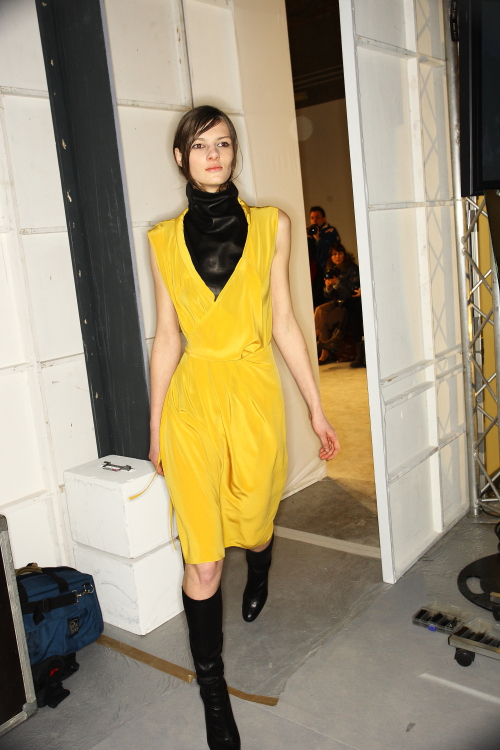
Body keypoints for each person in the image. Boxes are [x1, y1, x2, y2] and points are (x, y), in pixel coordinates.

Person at [147, 105, 340, 750]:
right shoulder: (161, 241)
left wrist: (315, 407)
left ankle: (260, 561)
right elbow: (167, 337)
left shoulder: (272, 226)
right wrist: (155, 425)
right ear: (182, 158)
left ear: (234, 153)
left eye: (224, 143)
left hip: (253, 396)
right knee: (202, 559)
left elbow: (284, 321)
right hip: (192, 405)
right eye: (200, 145)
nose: (214, 154)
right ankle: (214, 693)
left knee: (254, 521)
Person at [315, 244, 365, 368]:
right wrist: (328, 287)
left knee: (323, 317)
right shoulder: (332, 269)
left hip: (348, 305)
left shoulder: (352, 269)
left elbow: (351, 293)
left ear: (344, 254)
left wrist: (337, 283)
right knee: (320, 310)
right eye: (334, 254)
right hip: (336, 304)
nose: (337, 257)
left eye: (339, 253)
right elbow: (328, 296)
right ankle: (324, 351)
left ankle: (315, 342)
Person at [307, 207, 340, 309]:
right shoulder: (310, 234)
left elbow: (330, 249)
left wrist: (318, 238)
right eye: (312, 218)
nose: (315, 220)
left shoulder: (330, 231)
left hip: (327, 269)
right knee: (315, 299)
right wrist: (307, 238)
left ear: (324, 218)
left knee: (326, 297)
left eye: (317, 217)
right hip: (315, 272)